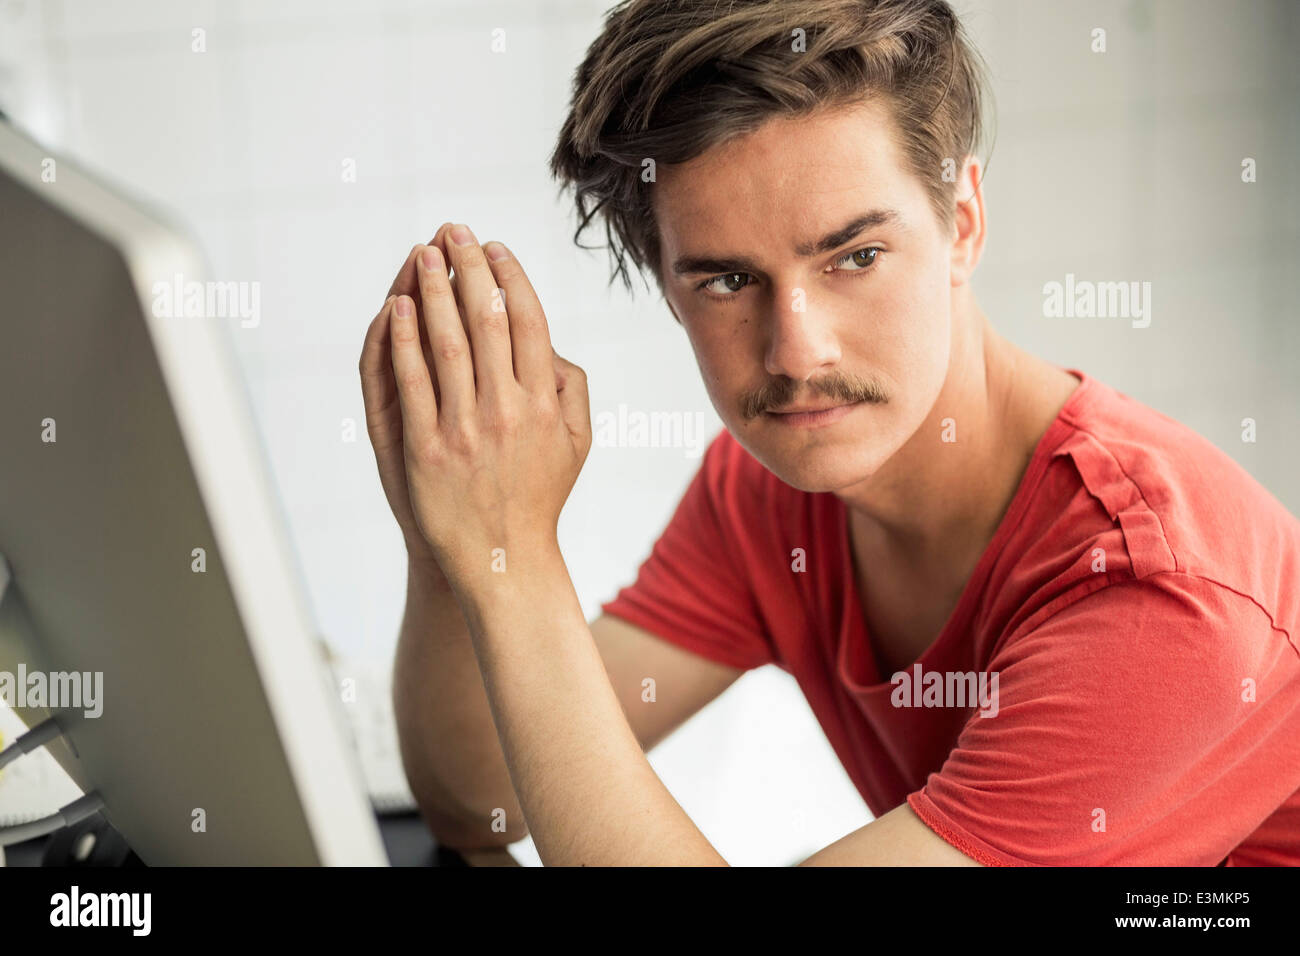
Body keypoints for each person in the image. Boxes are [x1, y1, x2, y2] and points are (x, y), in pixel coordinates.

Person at [360, 0, 1300, 865]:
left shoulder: (1160, 595)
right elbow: (480, 794)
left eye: (856, 255)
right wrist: (451, 535)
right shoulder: (770, 491)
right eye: (727, 280)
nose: (796, 354)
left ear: (962, 222)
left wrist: (514, 553)